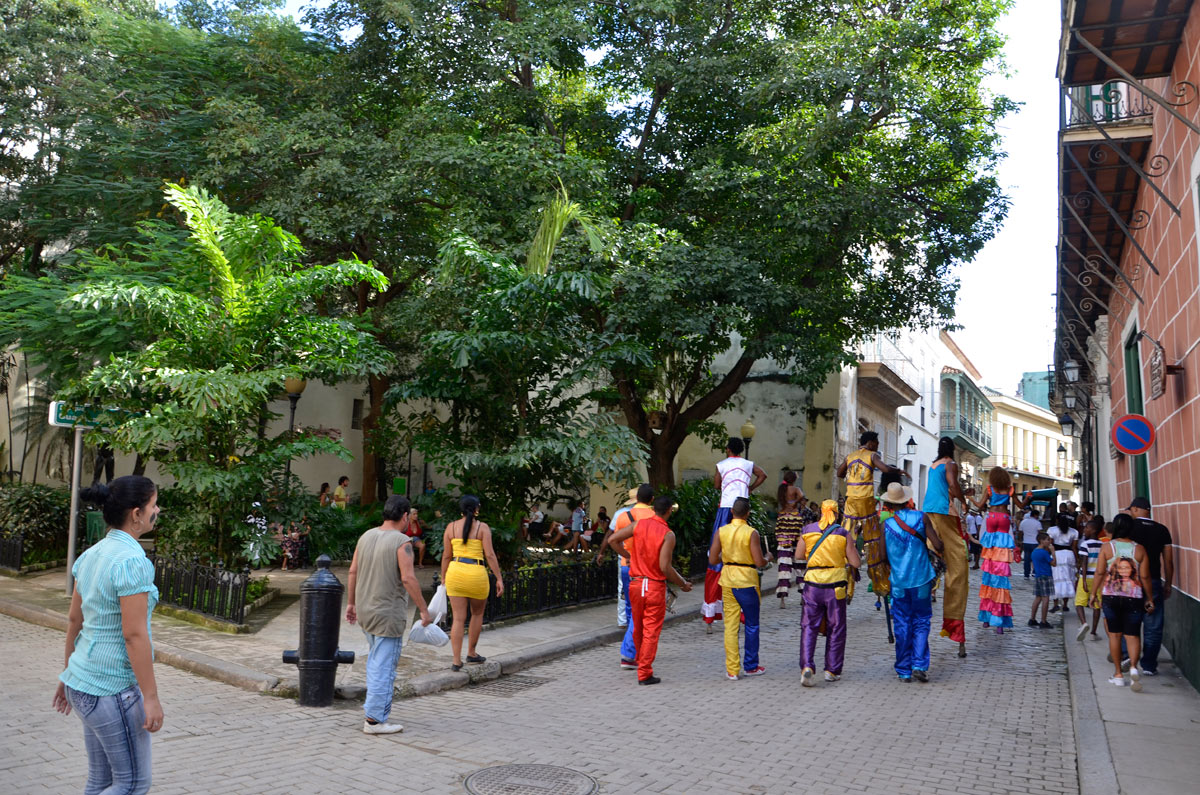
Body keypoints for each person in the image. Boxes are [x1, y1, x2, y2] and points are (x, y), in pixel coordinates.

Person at [55, 477, 163, 794]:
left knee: (102, 781)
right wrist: (152, 698)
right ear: (136, 513)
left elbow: (75, 620)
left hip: (83, 685)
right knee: (131, 784)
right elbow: (134, 635)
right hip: (111, 691)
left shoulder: (92, 555)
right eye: (154, 504)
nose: (158, 510)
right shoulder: (132, 561)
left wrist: (67, 675)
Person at [345, 495, 433, 734]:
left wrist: (351, 603)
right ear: (405, 516)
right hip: (387, 613)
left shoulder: (366, 536)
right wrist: (424, 610)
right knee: (383, 666)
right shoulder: (402, 541)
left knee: (375, 661)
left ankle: (373, 714)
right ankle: (375, 720)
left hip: (365, 609)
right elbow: (407, 578)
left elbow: (352, 571)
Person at [604, 495, 692, 684]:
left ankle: (639, 660)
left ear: (653, 509)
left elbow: (612, 539)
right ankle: (644, 672)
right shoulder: (668, 534)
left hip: (635, 584)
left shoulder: (638, 525)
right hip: (653, 586)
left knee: (637, 626)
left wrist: (628, 556)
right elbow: (665, 567)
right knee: (651, 630)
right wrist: (683, 584)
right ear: (669, 511)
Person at [878, 482, 943, 683]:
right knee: (922, 620)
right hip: (922, 579)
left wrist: (897, 563)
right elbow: (938, 545)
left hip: (899, 582)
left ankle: (904, 670)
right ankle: (919, 664)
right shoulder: (921, 517)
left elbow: (881, 556)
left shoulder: (886, 525)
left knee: (902, 622)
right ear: (907, 500)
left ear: (889, 504)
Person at [836, 431, 907, 603]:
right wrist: (898, 471)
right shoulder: (872, 455)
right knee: (873, 541)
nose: (878, 445)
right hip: (866, 502)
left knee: (847, 541)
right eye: (877, 442)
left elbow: (839, 473)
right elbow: (884, 468)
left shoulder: (850, 456)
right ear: (870, 442)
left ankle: (845, 588)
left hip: (851, 501)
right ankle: (880, 584)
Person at [797, 499, 861, 686]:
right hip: (835, 587)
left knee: (809, 627)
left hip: (813, 585)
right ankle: (831, 670)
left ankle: (807, 666)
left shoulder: (808, 530)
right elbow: (856, 563)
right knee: (836, 627)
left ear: (821, 513)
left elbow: (799, 555)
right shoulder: (843, 533)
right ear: (837, 514)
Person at [704, 438, 767, 629]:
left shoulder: (721, 465)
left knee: (718, 549)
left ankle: (711, 611)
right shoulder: (749, 464)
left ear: (728, 449)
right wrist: (749, 488)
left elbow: (716, 485)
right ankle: (742, 611)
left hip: (725, 507)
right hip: (742, 504)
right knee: (745, 542)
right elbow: (762, 475)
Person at [1089, 514, 1154, 690]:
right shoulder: (1139, 549)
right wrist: (1149, 597)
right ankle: (1133, 667)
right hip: (1134, 597)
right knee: (1132, 635)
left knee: (1115, 635)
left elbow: (1100, 573)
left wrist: (1093, 593)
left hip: (1111, 597)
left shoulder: (1107, 547)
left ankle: (1118, 674)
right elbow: (1145, 576)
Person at [440, 495, 505, 671]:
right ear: (476, 509)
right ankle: (471, 653)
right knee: (477, 614)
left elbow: (446, 555)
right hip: (476, 574)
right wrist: (499, 578)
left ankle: (455, 660)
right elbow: (490, 555)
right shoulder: (482, 528)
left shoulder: (451, 527)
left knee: (458, 619)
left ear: (461, 509)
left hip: (456, 572)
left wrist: (443, 576)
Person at [595, 485, 654, 667]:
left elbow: (611, 538)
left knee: (630, 607)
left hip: (625, 566)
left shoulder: (622, 516)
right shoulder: (653, 517)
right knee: (644, 612)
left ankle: (633, 646)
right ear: (650, 499)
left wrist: (627, 555)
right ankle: (631, 651)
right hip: (644, 569)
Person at [709, 497, 767, 680]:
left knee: (730, 626)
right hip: (747, 581)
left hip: (727, 579)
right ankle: (751, 665)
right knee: (751, 624)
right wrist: (768, 558)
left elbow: (712, 560)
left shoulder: (722, 531)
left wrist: (725, 557)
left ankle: (732, 669)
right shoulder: (751, 533)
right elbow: (759, 562)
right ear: (748, 513)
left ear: (732, 512)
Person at [923, 437, 970, 652]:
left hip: (928, 512)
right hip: (944, 513)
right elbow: (952, 484)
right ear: (952, 451)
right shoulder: (950, 464)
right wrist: (965, 502)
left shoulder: (934, 466)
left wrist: (958, 494)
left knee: (929, 554)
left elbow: (946, 487)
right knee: (959, 566)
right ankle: (954, 624)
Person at [972, 466, 1027, 634]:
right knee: (1001, 555)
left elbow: (980, 506)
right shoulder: (1010, 490)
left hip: (991, 517)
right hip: (1003, 518)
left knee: (990, 556)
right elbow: (1021, 506)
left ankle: (987, 620)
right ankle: (999, 622)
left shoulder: (989, 489)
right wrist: (1028, 498)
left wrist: (970, 499)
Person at [1125, 497, 1174, 676]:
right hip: (1153, 580)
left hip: (1129, 580)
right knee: (1153, 625)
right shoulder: (1162, 530)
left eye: (1131, 509)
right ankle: (1148, 665)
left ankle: (1128, 657)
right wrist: (1168, 583)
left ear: (1137, 509)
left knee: (1129, 620)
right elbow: (1168, 561)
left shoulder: (1128, 528)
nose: (1130, 512)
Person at [774, 470, 806, 608]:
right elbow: (802, 496)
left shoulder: (782, 490)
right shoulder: (795, 489)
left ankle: (782, 597)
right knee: (799, 563)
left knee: (784, 563)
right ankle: (803, 594)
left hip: (783, 520)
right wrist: (795, 502)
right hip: (794, 519)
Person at [1074, 518, 1104, 640]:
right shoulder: (1103, 545)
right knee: (1097, 605)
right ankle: (1093, 631)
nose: (1084, 530)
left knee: (1079, 602)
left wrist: (1084, 580)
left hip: (1086, 577)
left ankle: (1084, 623)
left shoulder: (1085, 544)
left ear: (1093, 530)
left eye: (1087, 528)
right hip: (1099, 579)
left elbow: (1084, 563)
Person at [1047, 513, 1079, 615]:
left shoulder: (1052, 530)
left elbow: (1050, 544)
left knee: (1055, 578)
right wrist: (1077, 559)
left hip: (1056, 554)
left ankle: (1055, 603)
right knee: (1068, 578)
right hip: (1069, 555)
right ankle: (1065, 605)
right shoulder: (1074, 532)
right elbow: (1074, 547)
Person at [1028, 533, 1055, 628]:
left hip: (1038, 576)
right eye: (1047, 540)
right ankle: (1043, 621)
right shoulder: (1044, 552)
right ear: (1041, 540)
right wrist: (1053, 552)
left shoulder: (1035, 551)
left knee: (1038, 598)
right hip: (1046, 576)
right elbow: (1054, 563)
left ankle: (1032, 618)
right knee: (1045, 598)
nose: (1049, 541)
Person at [1018, 508, 1043, 578]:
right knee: (1036, 558)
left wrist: (1020, 540)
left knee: (1027, 559)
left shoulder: (1023, 522)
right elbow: (1039, 533)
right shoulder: (1037, 523)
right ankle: (1035, 572)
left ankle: (1026, 573)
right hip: (1035, 542)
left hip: (1026, 542)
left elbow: (1020, 532)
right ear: (1035, 515)